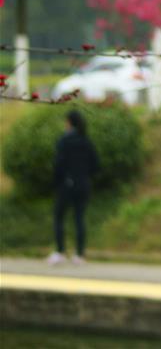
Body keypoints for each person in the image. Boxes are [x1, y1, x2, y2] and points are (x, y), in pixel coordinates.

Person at [48, 110, 99, 266]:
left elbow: (58, 165)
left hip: (66, 185)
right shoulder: (86, 141)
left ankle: (60, 251)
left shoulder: (64, 141)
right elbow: (96, 165)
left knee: (59, 217)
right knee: (79, 219)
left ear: (69, 122)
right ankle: (79, 254)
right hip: (83, 184)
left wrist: (57, 182)